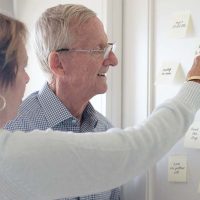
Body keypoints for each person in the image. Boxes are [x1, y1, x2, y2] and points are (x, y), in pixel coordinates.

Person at [2, 4, 200, 200]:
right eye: (98, 50)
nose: (113, 60)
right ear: (59, 64)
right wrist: (195, 83)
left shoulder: (105, 129)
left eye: (109, 48)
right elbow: (141, 146)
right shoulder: (13, 130)